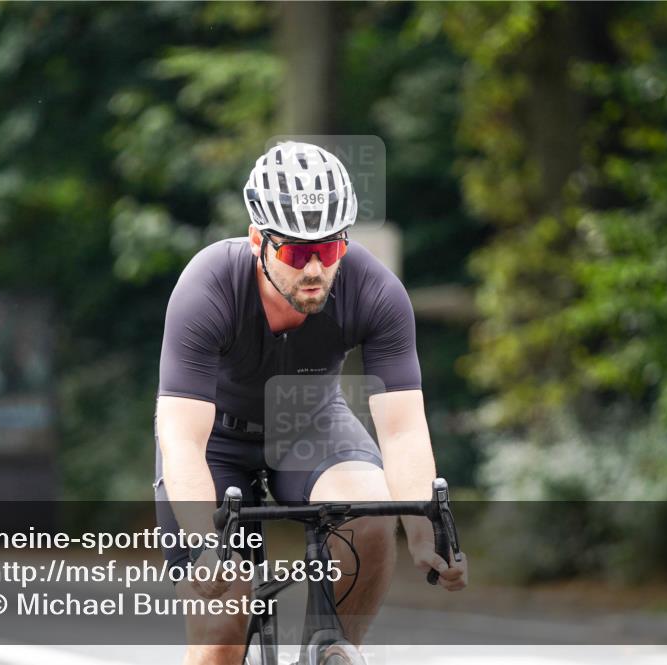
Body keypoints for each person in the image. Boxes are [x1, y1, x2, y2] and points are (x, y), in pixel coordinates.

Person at [153, 141, 467, 665]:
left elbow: (403, 430)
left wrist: (423, 532)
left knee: (368, 513)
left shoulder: (376, 291)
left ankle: (334, 652)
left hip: (310, 422)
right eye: (297, 253)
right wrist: (207, 549)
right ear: (258, 240)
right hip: (215, 442)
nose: (316, 269)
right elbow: (182, 439)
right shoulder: (207, 286)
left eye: (331, 249)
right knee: (223, 622)